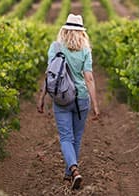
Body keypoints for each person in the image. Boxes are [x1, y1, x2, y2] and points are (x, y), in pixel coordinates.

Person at [36, 14, 100, 190]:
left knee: (65, 137)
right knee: (76, 137)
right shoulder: (85, 50)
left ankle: (71, 171)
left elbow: (50, 74)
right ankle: (71, 171)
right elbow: (89, 78)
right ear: (81, 32)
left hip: (62, 97)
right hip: (81, 98)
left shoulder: (55, 47)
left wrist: (42, 98)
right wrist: (95, 104)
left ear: (64, 30)